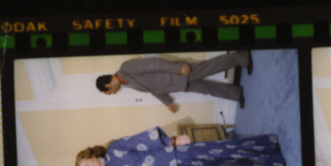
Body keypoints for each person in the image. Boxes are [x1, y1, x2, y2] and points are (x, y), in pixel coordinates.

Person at [75, 128, 286, 166]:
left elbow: (142, 140)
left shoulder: (114, 148)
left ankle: (267, 145)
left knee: (222, 151)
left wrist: (173, 140)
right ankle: (271, 162)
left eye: (87, 165)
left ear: (91, 155)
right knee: (222, 164)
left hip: (175, 154)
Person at [93, 55, 247, 110]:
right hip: (175, 84)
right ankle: (236, 93)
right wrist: (167, 102)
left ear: (107, 85)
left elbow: (153, 64)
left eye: (109, 92)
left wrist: (177, 68)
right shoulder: (127, 84)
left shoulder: (126, 68)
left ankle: (242, 57)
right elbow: (152, 89)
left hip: (176, 74)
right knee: (205, 88)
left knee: (210, 67)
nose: (113, 93)